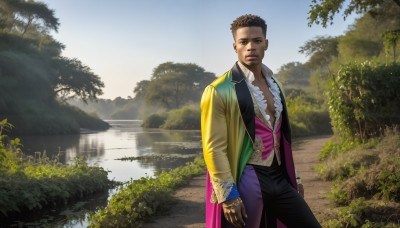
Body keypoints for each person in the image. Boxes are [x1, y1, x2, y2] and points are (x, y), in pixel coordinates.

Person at [200, 14, 321, 228]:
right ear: (234, 46)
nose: (250, 47)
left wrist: (297, 177)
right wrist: (228, 196)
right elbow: (213, 148)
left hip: (279, 177)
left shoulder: (276, 85)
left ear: (266, 44)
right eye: (243, 42)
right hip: (248, 178)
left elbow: (283, 137)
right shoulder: (218, 90)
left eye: (256, 41)